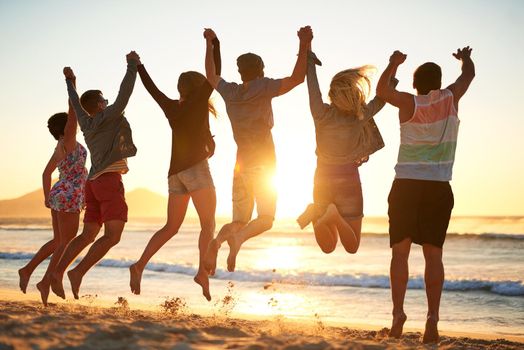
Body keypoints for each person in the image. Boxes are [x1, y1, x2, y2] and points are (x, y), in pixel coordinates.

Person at [376, 47, 475, 343]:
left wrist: (393, 63)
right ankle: (432, 319)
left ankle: (398, 315)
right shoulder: (450, 98)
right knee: (433, 256)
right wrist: (465, 58)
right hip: (438, 187)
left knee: (400, 254)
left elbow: (382, 90)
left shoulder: (409, 102)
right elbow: (469, 74)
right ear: (439, 81)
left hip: (406, 185)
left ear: (416, 83)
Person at [203, 27, 313, 273]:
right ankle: (239, 239)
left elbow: (211, 75)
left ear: (240, 72)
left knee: (239, 220)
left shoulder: (230, 92)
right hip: (264, 165)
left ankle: (218, 241)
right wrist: (304, 43)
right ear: (261, 69)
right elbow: (297, 78)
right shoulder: (264, 87)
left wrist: (209, 44)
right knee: (265, 219)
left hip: (241, 166)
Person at [129, 37, 222, 301]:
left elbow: (151, 89)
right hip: (196, 171)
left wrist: (138, 66)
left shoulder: (171, 107)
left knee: (171, 226)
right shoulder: (197, 102)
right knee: (208, 224)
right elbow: (215, 72)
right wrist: (212, 44)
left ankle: (139, 265)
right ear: (197, 87)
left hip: (175, 175)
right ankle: (202, 273)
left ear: (181, 88)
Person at [50, 51, 141, 299]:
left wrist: (70, 81)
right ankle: (77, 272)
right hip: (109, 180)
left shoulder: (85, 121)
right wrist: (132, 64)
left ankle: (57, 273)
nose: (107, 102)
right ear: (100, 106)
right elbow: (126, 92)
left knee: (88, 234)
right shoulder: (108, 116)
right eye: (103, 100)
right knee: (112, 236)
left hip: (93, 183)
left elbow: (75, 102)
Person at [296, 46, 397, 254]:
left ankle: (321, 213)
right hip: (349, 182)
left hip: (322, 180)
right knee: (351, 247)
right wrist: (393, 66)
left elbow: (312, 85)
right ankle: (331, 214)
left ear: (332, 95)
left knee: (327, 248)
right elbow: (383, 96)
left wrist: (308, 51)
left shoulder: (320, 113)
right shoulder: (360, 115)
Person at [18, 68, 88, 306]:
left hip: (61, 193)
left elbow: (46, 173)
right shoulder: (68, 140)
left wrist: (48, 197)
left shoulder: (60, 146)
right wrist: (72, 82)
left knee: (60, 241)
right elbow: (73, 112)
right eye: (70, 124)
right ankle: (47, 280)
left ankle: (28, 271)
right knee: (66, 241)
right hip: (69, 195)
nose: (74, 124)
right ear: (66, 127)